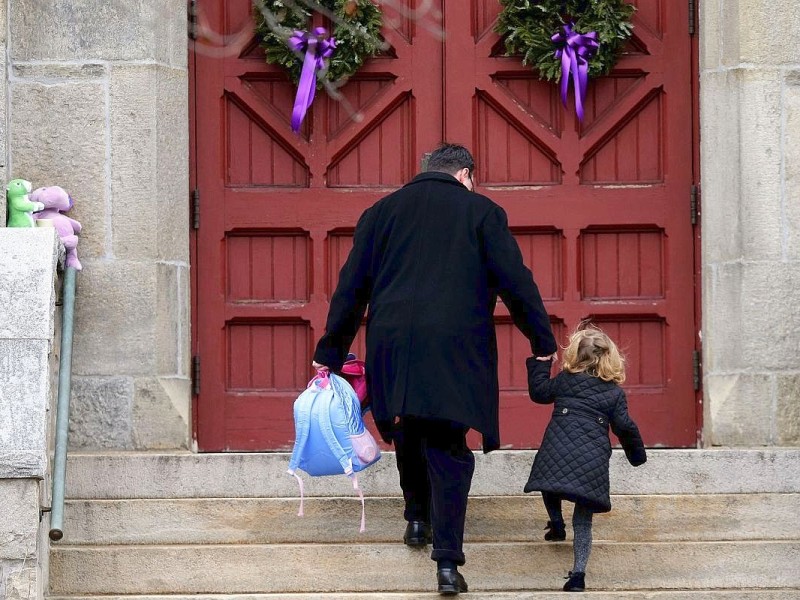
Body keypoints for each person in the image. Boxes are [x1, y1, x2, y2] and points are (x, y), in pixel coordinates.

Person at [312, 143, 557, 595]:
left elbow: (351, 289)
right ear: (465, 174)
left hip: (394, 345)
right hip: (455, 347)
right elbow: (516, 282)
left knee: (408, 431)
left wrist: (329, 353)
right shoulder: (482, 212)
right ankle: (447, 562)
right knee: (447, 445)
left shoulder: (380, 213)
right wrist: (542, 343)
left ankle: (417, 518)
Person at [524, 325, 647, 592]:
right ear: (609, 358)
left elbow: (539, 392)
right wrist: (636, 455)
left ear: (574, 355)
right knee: (583, 519)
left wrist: (541, 363)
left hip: (556, 450)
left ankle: (556, 523)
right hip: (592, 461)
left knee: (550, 484)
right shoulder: (614, 393)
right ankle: (578, 575)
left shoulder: (565, 380)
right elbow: (625, 426)